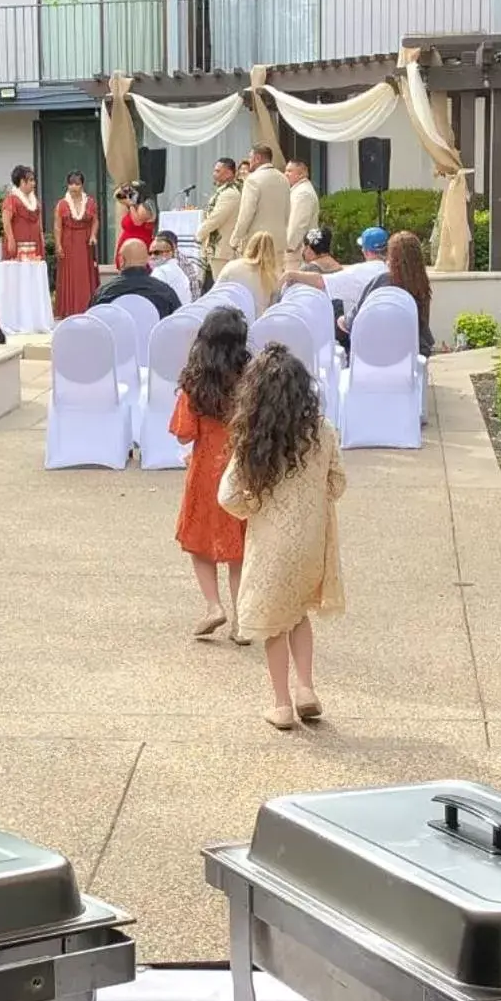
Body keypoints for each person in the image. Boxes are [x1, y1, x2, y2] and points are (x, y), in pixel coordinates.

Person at [218, 345, 346, 732]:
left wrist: (252, 507)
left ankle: (281, 704)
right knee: (299, 614)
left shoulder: (253, 440)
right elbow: (338, 482)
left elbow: (227, 495)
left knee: (274, 624)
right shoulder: (321, 431)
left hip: (271, 543)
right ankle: (306, 687)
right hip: (311, 542)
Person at [170, 309, 249, 641]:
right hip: (242, 469)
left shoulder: (195, 381)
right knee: (239, 549)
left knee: (199, 544)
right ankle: (242, 620)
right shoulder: (250, 377)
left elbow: (184, 433)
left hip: (205, 471)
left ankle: (213, 606)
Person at [346, 229, 436, 357]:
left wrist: (341, 320)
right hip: (413, 354)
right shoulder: (422, 285)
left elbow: (352, 321)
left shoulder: (381, 281)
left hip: (376, 354)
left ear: (391, 256)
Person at [89, 238, 181, 319]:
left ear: (121, 260)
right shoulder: (165, 292)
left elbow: (92, 324)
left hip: (118, 338)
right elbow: (178, 323)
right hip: (155, 338)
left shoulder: (105, 292)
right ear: (147, 260)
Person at [230, 146, 290, 260]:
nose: (249, 161)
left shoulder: (252, 179)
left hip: (257, 242)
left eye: (250, 157)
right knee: (275, 276)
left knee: (255, 277)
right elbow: (287, 212)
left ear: (257, 158)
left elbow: (246, 214)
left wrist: (235, 239)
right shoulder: (284, 179)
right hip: (279, 241)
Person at [53, 171, 99, 317]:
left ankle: (87, 306)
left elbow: (95, 220)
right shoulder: (61, 204)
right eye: (71, 183)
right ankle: (68, 309)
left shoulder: (90, 202)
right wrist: (58, 245)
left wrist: (93, 235)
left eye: (77, 184)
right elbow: (57, 226)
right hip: (68, 243)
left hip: (85, 243)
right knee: (70, 276)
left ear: (82, 185)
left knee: (85, 274)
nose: (74, 187)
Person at [197, 158, 244, 283]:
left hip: (223, 250)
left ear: (229, 173)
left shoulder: (230, 193)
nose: (214, 174)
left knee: (222, 286)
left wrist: (199, 234)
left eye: (218, 171)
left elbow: (216, 219)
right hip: (217, 249)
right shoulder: (224, 191)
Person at [216, 231, 280, 313]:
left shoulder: (231, 266)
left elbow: (215, 292)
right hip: (254, 322)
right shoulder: (273, 278)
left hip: (225, 316)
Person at [2, 164, 45, 261]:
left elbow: (39, 223)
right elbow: (6, 221)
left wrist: (42, 239)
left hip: (34, 243)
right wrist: (10, 240)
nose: (34, 183)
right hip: (18, 243)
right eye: (31, 180)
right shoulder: (11, 200)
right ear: (22, 181)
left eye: (33, 180)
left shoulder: (35, 201)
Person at [284, 160, 320, 269]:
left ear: (301, 174)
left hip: (297, 252)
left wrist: (289, 246)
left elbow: (298, 224)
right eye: (286, 170)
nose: (286, 174)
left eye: (290, 171)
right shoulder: (298, 191)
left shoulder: (303, 193)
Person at [113, 183, 157, 268]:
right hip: (126, 245)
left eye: (131, 193)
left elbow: (137, 222)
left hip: (139, 245)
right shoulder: (132, 206)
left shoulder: (145, 206)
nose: (129, 195)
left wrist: (131, 205)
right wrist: (124, 187)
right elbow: (117, 195)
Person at [150, 229, 194, 307]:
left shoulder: (161, 271)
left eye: (157, 253)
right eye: (150, 253)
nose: (152, 256)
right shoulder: (173, 266)